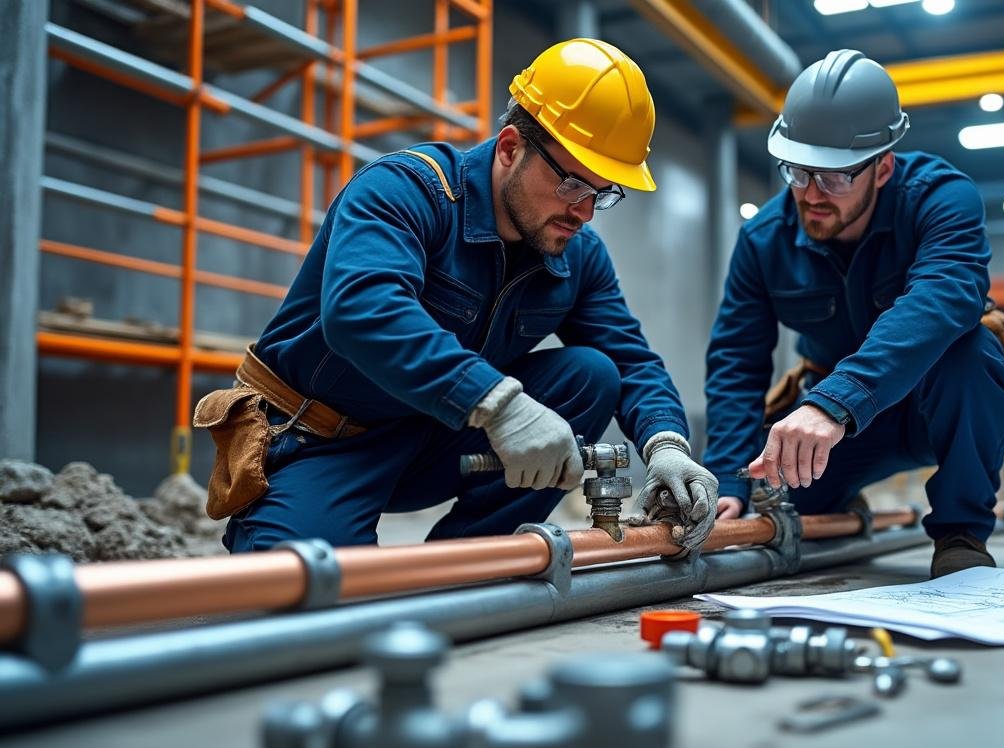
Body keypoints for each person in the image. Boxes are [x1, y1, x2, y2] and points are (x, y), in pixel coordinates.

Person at [195, 39, 717, 555]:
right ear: (511, 148)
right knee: (309, 591)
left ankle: (473, 561)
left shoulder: (577, 254)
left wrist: (666, 444)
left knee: (591, 373)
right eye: (572, 185)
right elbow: (362, 309)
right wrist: (498, 405)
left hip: (437, 438)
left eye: (601, 193)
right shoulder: (406, 190)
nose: (582, 212)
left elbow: (629, 360)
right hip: (323, 439)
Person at [703, 49, 1004, 578]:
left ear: (884, 167)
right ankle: (837, 502)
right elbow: (737, 362)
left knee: (972, 354)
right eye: (798, 172)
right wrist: (730, 482)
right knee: (779, 504)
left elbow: (942, 298)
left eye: (834, 177)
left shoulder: (941, 200)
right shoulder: (763, 240)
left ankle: (962, 532)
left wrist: (833, 404)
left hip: (930, 404)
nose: (810, 195)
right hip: (842, 430)